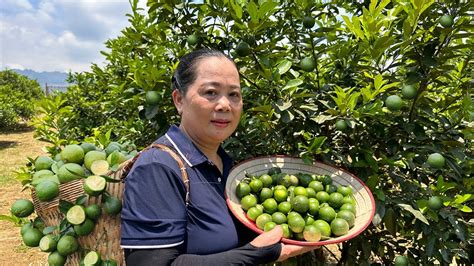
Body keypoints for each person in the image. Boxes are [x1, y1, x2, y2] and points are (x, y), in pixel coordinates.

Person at [120, 49, 318, 265]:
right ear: (179, 100)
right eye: (211, 92)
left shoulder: (229, 167)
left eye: (234, 94)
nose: (225, 105)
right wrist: (253, 255)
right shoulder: (158, 168)